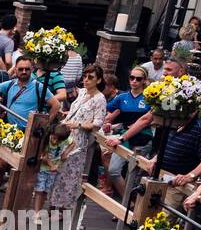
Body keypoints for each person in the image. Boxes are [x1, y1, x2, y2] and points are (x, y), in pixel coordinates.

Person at [45, 65, 106, 212]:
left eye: (90, 77)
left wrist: (78, 124)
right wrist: (66, 115)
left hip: (79, 140)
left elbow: (98, 123)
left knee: (69, 174)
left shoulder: (100, 98)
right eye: (84, 76)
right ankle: (52, 204)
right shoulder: (82, 92)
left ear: (98, 80)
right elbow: (75, 110)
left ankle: (63, 209)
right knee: (56, 169)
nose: (86, 80)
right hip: (65, 135)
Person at [101, 67, 153, 199]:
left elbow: (153, 119)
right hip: (124, 136)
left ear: (144, 81)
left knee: (133, 173)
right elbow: (106, 110)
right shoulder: (122, 97)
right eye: (132, 78)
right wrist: (107, 123)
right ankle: (127, 201)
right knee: (113, 170)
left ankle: (128, 206)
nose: (134, 81)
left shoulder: (150, 98)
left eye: (138, 79)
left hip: (143, 138)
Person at [0, 55, 63, 129]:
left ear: (31, 69)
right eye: (21, 69)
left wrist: (45, 124)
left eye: (27, 69)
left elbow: (56, 105)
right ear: (15, 69)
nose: (24, 72)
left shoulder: (38, 87)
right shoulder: (11, 83)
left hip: (27, 133)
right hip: (9, 129)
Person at [33, 124, 72, 212]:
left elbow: (73, 143)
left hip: (53, 171)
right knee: (39, 190)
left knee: (46, 191)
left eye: (58, 141)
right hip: (43, 168)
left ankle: (39, 210)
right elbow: (44, 156)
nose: (55, 142)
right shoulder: (46, 140)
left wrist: (65, 152)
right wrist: (52, 166)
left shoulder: (64, 139)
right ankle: (36, 213)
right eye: (54, 138)